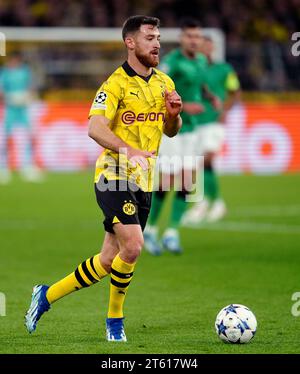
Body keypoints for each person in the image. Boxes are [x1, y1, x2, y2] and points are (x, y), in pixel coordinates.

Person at [24, 15, 182, 342]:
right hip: (113, 174)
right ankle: (115, 321)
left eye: (158, 37)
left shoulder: (165, 82)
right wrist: (128, 149)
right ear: (130, 42)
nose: (157, 43)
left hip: (144, 180)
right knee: (135, 246)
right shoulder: (114, 85)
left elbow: (171, 132)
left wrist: (173, 115)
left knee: (110, 260)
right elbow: (94, 127)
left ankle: (46, 295)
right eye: (150, 37)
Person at [143, 19, 219, 255]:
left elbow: (200, 84)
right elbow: (155, 94)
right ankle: (150, 230)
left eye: (197, 36)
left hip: (193, 130)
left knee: (188, 182)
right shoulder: (171, 63)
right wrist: (185, 107)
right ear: (181, 39)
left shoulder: (199, 61)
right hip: (172, 130)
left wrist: (210, 96)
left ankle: (172, 233)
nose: (194, 40)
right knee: (166, 182)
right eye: (189, 36)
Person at [182, 36, 241, 224]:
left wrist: (225, 110)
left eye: (209, 46)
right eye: (203, 46)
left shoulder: (224, 69)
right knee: (200, 164)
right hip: (195, 122)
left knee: (205, 160)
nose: (206, 49)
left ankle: (209, 203)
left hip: (214, 122)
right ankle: (211, 202)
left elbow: (235, 91)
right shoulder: (194, 69)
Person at [0, 52, 42, 184]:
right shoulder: (5, 72)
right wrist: (8, 97)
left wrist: (28, 96)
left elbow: (31, 87)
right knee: (5, 137)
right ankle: (3, 167)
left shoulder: (25, 71)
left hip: (23, 108)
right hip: (10, 108)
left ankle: (27, 166)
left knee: (29, 136)